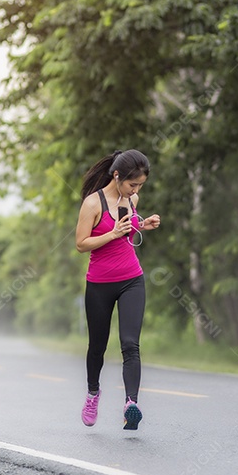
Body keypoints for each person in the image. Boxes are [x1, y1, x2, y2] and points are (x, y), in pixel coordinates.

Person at [74, 149, 161, 430]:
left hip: (131, 280)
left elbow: (129, 230)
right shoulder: (92, 203)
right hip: (99, 284)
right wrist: (112, 233)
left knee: (130, 344)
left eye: (140, 186)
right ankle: (92, 394)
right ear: (116, 176)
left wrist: (142, 224)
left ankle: (130, 405)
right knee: (97, 347)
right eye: (132, 184)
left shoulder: (131, 199)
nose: (136, 190)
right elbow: (81, 243)